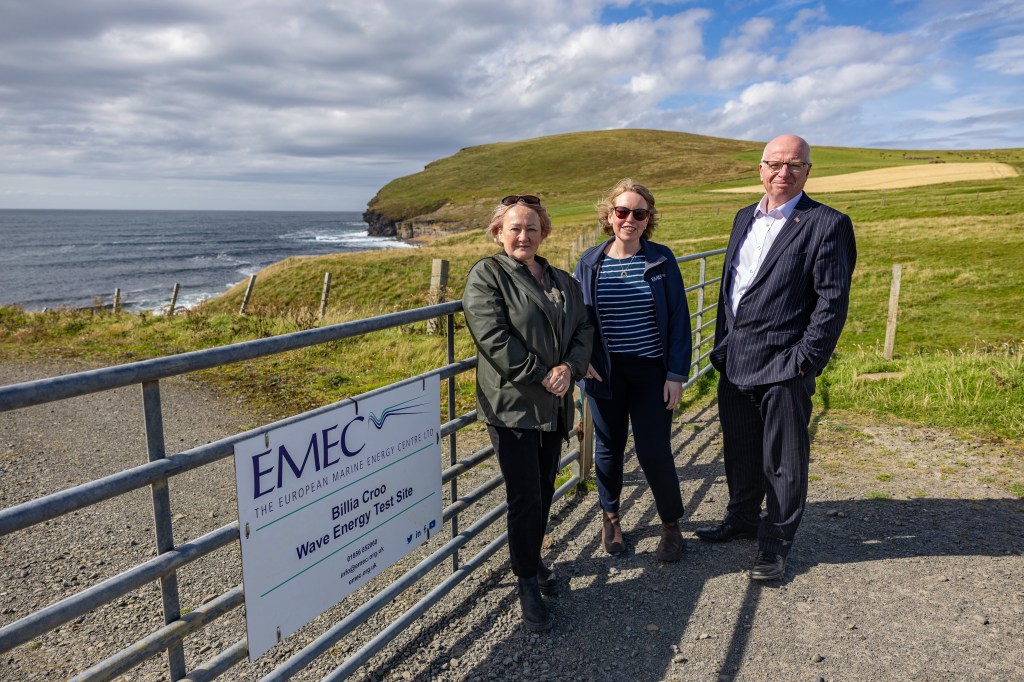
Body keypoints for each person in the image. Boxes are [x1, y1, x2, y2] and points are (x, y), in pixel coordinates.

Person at [699, 134, 857, 581]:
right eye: (775, 164)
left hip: (786, 364)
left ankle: (774, 545)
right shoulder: (743, 217)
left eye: (794, 165)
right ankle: (742, 518)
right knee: (741, 449)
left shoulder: (827, 223)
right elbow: (732, 289)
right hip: (736, 360)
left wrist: (806, 360)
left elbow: (831, 302)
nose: (783, 173)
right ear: (761, 168)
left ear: (808, 171)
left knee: (784, 460)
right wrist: (723, 347)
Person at [462, 194, 593, 631]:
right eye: (514, 228)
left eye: (531, 228)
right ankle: (526, 583)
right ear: (497, 232)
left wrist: (570, 368)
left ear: (544, 233)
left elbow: (583, 327)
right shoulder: (488, 275)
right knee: (525, 497)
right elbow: (493, 336)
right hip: (512, 406)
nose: (523, 236)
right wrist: (543, 374)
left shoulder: (561, 279)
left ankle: (532, 561)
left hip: (554, 403)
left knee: (544, 487)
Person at [573, 178, 692, 562]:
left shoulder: (661, 260)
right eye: (622, 211)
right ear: (609, 216)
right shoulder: (589, 262)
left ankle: (671, 526)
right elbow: (576, 320)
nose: (630, 219)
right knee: (608, 448)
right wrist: (582, 360)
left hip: (652, 372)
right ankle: (610, 517)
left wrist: (676, 374)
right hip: (604, 373)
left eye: (639, 214)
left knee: (654, 450)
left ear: (648, 219)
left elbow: (679, 319)